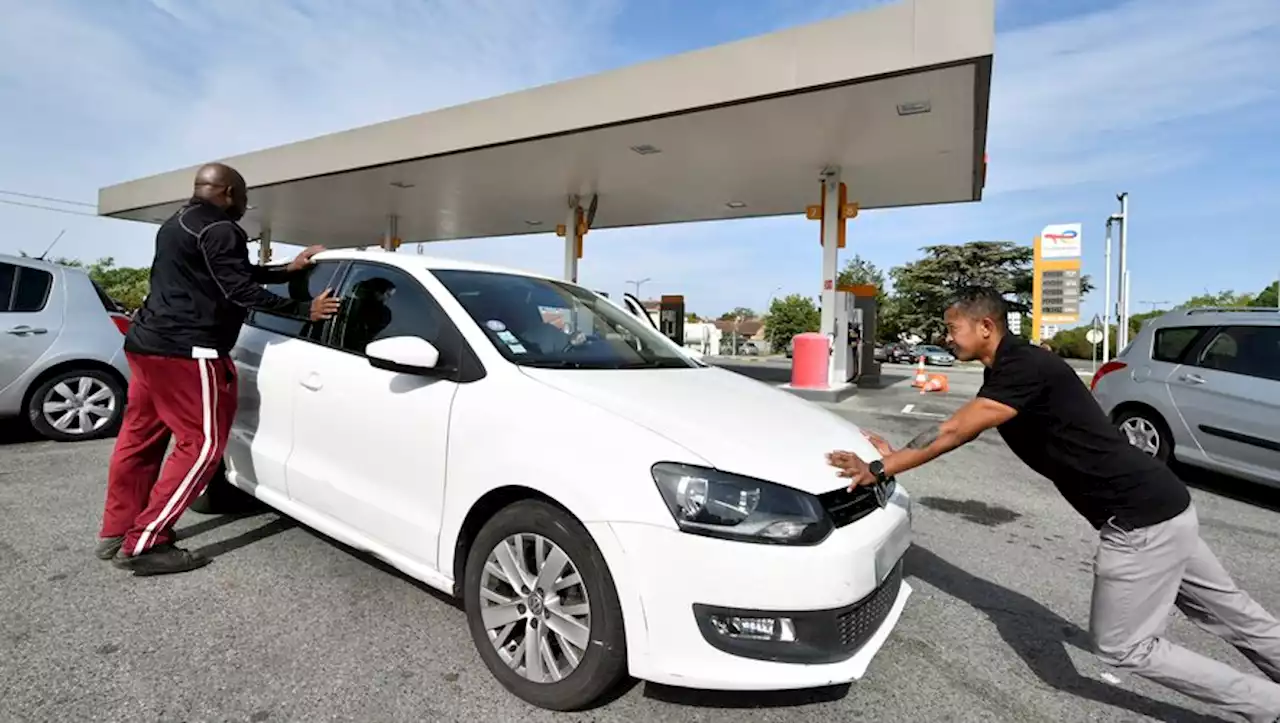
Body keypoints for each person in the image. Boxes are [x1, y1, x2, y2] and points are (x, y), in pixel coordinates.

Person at [828, 287, 1280, 723]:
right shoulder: (1013, 368)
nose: (947, 337)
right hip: (1165, 504)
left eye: (953, 328)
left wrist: (884, 467)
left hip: (1140, 521)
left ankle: (1267, 704)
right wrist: (894, 455)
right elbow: (958, 425)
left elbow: (954, 432)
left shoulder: (1023, 366)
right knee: (1231, 612)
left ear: (985, 326)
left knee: (1124, 646)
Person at [97, 162, 342, 576]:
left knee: (140, 439)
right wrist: (305, 310)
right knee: (204, 445)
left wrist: (288, 270)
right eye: (244, 198)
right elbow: (240, 289)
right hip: (189, 353)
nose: (246, 206)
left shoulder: (178, 222)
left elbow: (226, 273)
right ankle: (145, 542)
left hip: (146, 346)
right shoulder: (221, 229)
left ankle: (118, 530)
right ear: (228, 192)